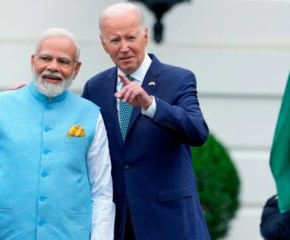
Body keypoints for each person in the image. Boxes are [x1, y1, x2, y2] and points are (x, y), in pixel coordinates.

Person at [0, 28, 115, 240]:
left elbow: (102, 192)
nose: (53, 67)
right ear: (33, 61)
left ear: (76, 69)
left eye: (63, 61)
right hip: (5, 233)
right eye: (46, 58)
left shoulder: (90, 115)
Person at [81, 3, 210, 239]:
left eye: (131, 37)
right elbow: (77, 137)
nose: (124, 48)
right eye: (115, 40)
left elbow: (197, 132)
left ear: (146, 36)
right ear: (103, 44)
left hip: (170, 221)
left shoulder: (178, 79)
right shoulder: (95, 87)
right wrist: (32, 99)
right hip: (120, 222)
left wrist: (151, 105)